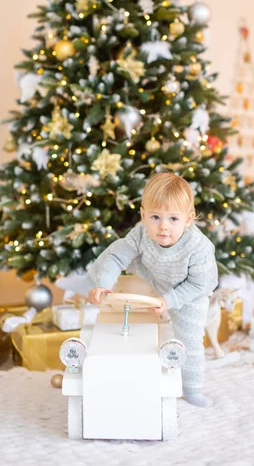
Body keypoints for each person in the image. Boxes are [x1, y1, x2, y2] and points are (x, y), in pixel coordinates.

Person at [87, 171, 218, 408]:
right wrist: (103, 284)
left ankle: (192, 390)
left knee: (189, 338)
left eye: (173, 220)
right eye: (155, 217)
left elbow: (200, 284)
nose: (163, 227)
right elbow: (116, 255)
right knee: (120, 252)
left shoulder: (199, 247)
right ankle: (138, 369)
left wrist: (169, 301)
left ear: (188, 219)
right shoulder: (140, 235)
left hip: (191, 292)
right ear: (143, 214)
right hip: (156, 276)